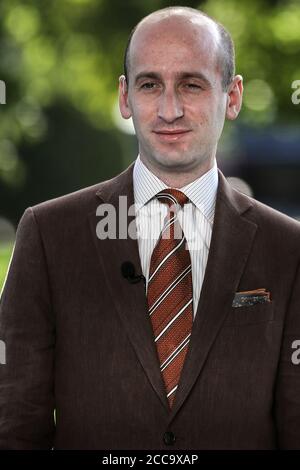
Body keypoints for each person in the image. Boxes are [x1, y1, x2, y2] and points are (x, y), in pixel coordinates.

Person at [0, 6, 300, 450]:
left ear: (232, 96)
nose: (169, 109)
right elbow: (15, 423)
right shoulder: (49, 235)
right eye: (149, 84)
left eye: (191, 84)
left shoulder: (288, 249)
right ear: (125, 97)